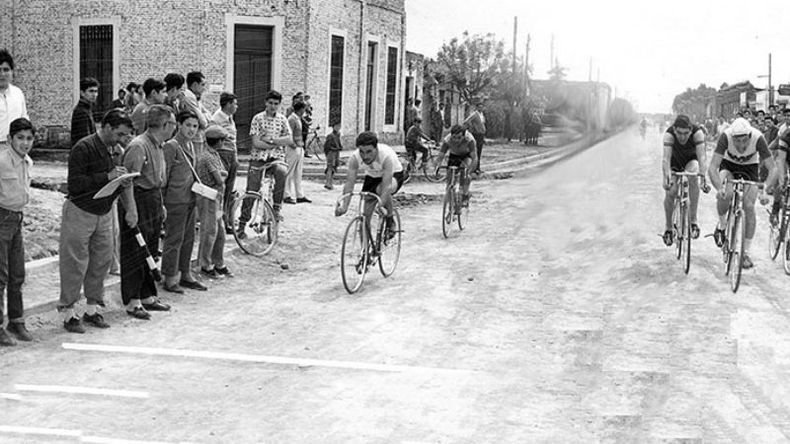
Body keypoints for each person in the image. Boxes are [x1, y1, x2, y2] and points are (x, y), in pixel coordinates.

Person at [58, 109, 135, 334]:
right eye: (120, 134)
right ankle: (68, 312)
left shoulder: (116, 150)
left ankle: (92, 308)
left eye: (126, 136)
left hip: (103, 212)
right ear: (107, 127)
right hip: (80, 211)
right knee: (74, 262)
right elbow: (75, 184)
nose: (122, 140)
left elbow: (112, 181)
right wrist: (108, 177)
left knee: (101, 260)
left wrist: (123, 181)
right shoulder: (83, 147)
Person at [119, 105, 174, 320]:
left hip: (152, 198)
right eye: (172, 124)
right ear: (164, 125)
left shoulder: (158, 145)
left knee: (150, 249)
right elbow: (127, 182)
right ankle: (133, 301)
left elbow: (156, 180)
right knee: (135, 251)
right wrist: (131, 210)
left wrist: (159, 204)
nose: (174, 128)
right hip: (138, 200)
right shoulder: (138, 146)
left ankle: (148, 295)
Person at [708, 117, 775, 269]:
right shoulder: (725, 136)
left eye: (744, 141)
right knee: (727, 193)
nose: (741, 145)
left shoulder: (758, 137)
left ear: (750, 137)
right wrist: (719, 188)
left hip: (750, 167)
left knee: (749, 206)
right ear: (732, 137)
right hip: (728, 165)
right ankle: (722, 225)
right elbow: (712, 168)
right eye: (737, 141)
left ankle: (746, 253)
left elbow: (773, 168)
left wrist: (765, 190)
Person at [161, 110, 206, 294]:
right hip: (175, 200)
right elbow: (164, 177)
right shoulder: (171, 146)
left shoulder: (191, 145)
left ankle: (185, 272)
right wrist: (162, 202)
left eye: (195, 126)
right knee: (174, 238)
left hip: (190, 199)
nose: (191, 130)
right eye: (188, 125)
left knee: (189, 238)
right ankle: (170, 277)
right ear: (179, 125)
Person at [0, 118, 34, 345]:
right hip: (1, 217)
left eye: (29, 138)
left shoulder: (27, 161)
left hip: (17, 219)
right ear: (9, 138)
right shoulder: (2, 161)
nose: (25, 143)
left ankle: (16, 319)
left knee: (17, 274)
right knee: (0, 275)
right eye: (20, 138)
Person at [238, 90, 290, 234]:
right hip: (258, 157)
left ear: (279, 105)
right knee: (252, 189)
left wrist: (270, 140)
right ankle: (242, 223)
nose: (273, 106)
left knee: (282, 171)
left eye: (276, 104)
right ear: (266, 103)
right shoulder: (257, 119)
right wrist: (276, 143)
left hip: (276, 157)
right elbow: (256, 143)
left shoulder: (282, 119)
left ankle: (277, 207)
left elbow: (289, 140)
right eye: (270, 103)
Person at [335, 131, 405, 235]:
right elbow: (349, 183)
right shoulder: (355, 158)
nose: (365, 156)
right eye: (362, 152)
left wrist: (381, 205)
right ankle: (365, 249)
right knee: (365, 218)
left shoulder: (386, 157)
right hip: (372, 176)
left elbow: (386, 185)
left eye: (369, 151)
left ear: (376, 148)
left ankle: (390, 219)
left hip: (394, 174)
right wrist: (345, 206)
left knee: (381, 189)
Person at [661, 115, 708, 246]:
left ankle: (693, 221)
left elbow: (702, 157)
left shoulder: (698, 133)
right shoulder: (669, 135)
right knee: (671, 192)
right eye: (679, 133)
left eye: (686, 133)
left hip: (690, 160)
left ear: (690, 130)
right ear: (674, 130)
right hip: (674, 162)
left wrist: (703, 177)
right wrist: (667, 177)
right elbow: (666, 159)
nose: (682, 137)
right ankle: (669, 227)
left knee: (694, 176)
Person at [196, 125, 233, 279]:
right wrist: (222, 176)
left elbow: (222, 176)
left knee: (219, 232)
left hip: (216, 197)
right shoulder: (208, 157)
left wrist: (222, 176)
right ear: (218, 141)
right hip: (209, 197)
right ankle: (205, 264)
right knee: (210, 231)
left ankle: (218, 262)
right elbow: (220, 178)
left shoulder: (213, 154)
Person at [212, 92, 239, 230]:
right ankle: (220, 220)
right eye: (234, 103)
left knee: (229, 189)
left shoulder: (229, 118)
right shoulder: (217, 118)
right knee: (222, 188)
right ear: (228, 104)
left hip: (231, 153)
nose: (236, 106)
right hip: (223, 154)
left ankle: (226, 218)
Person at [435, 124, 479, 207]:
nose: (456, 140)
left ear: (464, 136)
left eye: (459, 137)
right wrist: (438, 165)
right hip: (454, 155)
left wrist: (470, 171)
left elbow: (474, 158)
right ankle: (450, 206)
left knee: (465, 173)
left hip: (466, 155)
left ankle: (465, 195)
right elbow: (441, 155)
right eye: (454, 137)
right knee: (449, 180)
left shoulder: (470, 140)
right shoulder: (447, 140)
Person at [284, 100, 310, 204]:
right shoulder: (292, 119)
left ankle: (300, 195)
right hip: (293, 148)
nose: (305, 111)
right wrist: (293, 145)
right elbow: (287, 133)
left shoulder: (297, 118)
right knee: (289, 171)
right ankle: (286, 194)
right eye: (304, 108)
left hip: (299, 147)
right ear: (300, 109)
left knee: (298, 172)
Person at [179, 72, 212, 156]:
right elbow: (203, 122)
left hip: (198, 137)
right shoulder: (189, 97)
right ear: (194, 84)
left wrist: (204, 115)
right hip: (194, 138)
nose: (204, 88)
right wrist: (204, 116)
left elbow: (209, 115)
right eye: (202, 85)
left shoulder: (195, 98)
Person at [0, 50, 28, 144]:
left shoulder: (18, 93)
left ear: (12, 71)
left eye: (6, 69)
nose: (2, 74)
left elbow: (24, 119)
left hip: (16, 147)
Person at [70, 78, 99, 148]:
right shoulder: (81, 111)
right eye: (91, 91)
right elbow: (85, 139)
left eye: (96, 91)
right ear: (82, 93)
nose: (94, 95)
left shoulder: (87, 109)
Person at [463, 101, 487, 174]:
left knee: (479, 152)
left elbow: (482, 124)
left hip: (481, 134)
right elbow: (466, 121)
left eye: (482, 107)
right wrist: (472, 128)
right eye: (479, 107)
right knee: (475, 151)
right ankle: (473, 168)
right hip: (476, 134)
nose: (481, 108)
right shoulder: (474, 114)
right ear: (477, 107)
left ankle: (477, 168)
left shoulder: (482, 115)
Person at [323, 121, 342, 190]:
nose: (338, 128)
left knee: (334, 168)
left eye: (339, 126)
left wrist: (340, 147)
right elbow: (327, 146)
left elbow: (339, 143)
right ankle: (328, 183)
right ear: (333, 127)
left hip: (336, 153)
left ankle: (331, 182)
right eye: (336, 126)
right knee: (330, 168)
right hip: (331, 153)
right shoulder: (330, 136)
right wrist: (333, 149)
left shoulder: (338, 135)